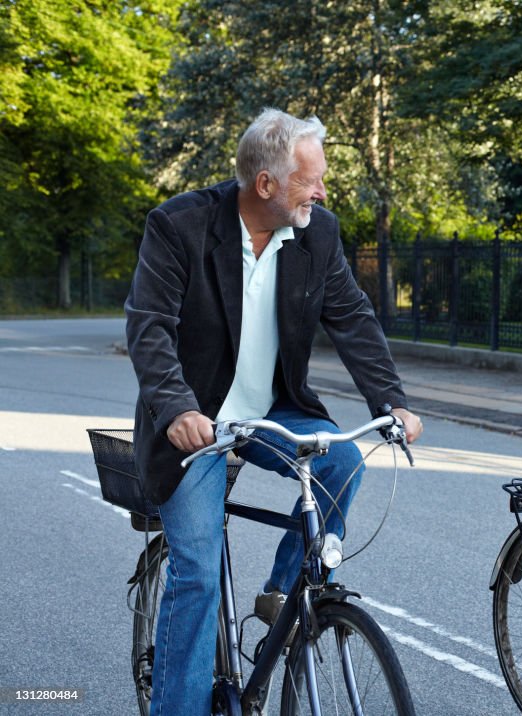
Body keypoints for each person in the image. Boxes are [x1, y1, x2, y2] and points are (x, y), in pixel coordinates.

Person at [124, 108, 423, 715]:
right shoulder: (180, 225)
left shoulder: (318, 233)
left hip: (272, 411)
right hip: (195, 430)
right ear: (266, 185)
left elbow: (355, 319)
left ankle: (285, 593)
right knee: (199, 577)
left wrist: (391, 401)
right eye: (310, 179)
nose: (322, 190)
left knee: (342, 459)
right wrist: (177, 408)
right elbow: (149, 327)